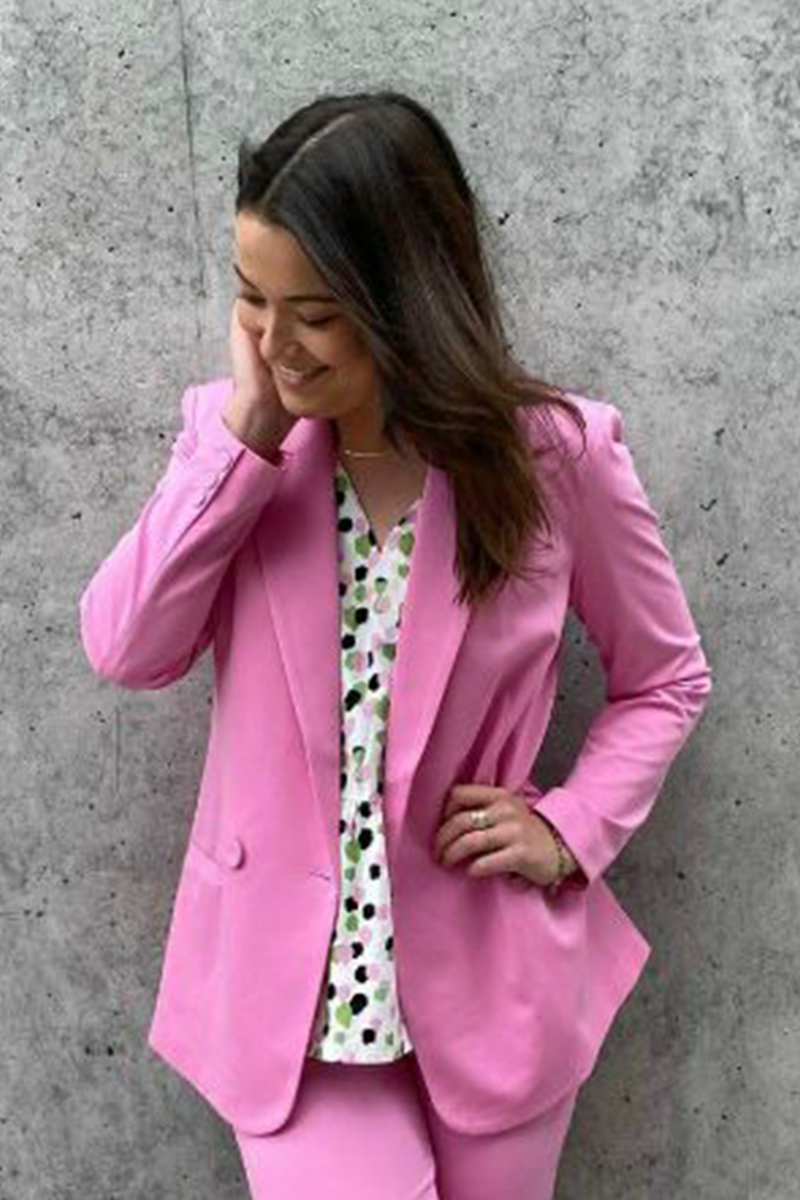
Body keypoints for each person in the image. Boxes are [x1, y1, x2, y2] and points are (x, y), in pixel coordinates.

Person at [78, 89, 714, 1200]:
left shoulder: (557, 457)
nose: (272, 343)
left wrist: (568, 827)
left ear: (406, 298)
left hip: (492, 980)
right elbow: (126, 647)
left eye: (312, 313)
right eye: (250, 299)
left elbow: (665, 678)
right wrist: (246, 439)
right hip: (288, 998)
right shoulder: (235, 444)